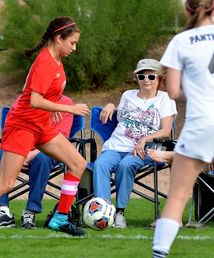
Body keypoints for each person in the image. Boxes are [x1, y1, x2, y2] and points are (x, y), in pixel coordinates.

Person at [0, 16, 90, 242]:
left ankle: (61, 218)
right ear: (58, 38)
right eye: (72, 43)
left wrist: (53, 106)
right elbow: (35, 100)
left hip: (41, 125)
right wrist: (69, 108)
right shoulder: (45, 62)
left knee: (78, 163)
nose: (74, 48)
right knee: (6, 183)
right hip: (22, 126)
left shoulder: (56, 59)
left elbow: (43, 95)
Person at [152, 0, 214, 253]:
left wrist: (198, 90)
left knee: (177, 198)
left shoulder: (181, 42)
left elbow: (174, 91)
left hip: (202, 123)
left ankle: (159, 253)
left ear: (187, 10)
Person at [92, 58, 177, 228]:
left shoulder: (165, 99)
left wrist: (144, 139)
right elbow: (120, 116)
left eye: (151, 76)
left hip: (145, 149)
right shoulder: (127, 95)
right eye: (142, 76)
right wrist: (109, 105)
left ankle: (120, 213)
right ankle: (104, 212)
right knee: (100, 164)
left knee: (126, 165)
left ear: (159, 78)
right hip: (116, 146)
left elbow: (166, 130)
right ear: (137, 78)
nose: (146, 80)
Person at [0, 95, 73, 229]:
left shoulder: (64, 103)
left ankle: (30, 212)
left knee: (42, 159)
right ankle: (4, 212)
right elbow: (11, 130)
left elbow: (62, 137)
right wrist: (21, 152)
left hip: (48, 152)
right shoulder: (23, 100)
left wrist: (31, 153)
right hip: (21, 147)